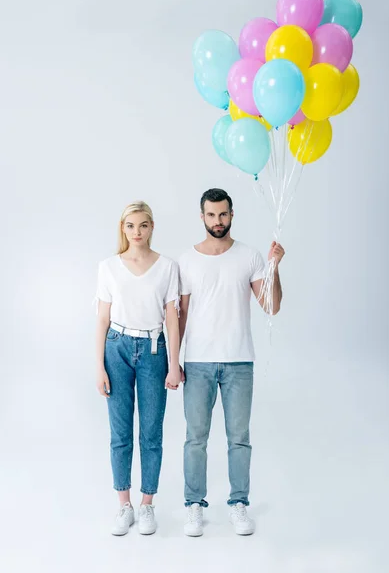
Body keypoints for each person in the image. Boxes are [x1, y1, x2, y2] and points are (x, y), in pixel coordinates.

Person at [178, 188, 285, 537]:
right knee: (196, 438)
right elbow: (179, 316)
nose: (217, 221)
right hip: (197, 362)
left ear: (232, 214)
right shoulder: (187, 260)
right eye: (211, 215)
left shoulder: (249, 256)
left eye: (223, 214)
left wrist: (273, 266)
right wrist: (173, 361)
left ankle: (239, 504)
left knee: (239, 438)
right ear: (202, 216)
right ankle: (194, 505)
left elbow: (271, 305)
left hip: (239, 361)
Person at [95, 201, 181, 536]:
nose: (137, 232)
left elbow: (172, 318)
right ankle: (124, 505)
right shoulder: (108, 267)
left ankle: (147, 505)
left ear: (152, 227)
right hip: (116, 348)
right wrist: (99, 367)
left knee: (151, 433)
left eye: (143, 225)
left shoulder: (167, 267)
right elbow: (102, 318)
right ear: (123, 228)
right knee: (120, 433)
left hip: (153, 350)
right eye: (130, 226)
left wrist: (174, 365)